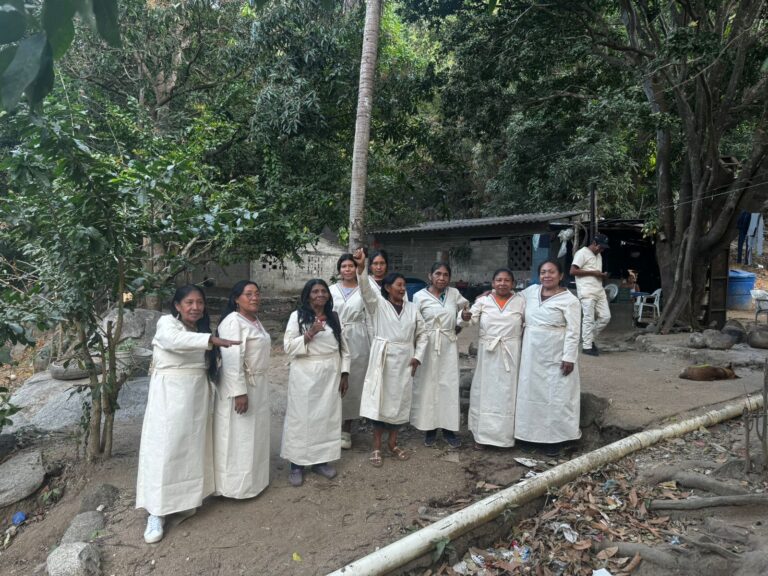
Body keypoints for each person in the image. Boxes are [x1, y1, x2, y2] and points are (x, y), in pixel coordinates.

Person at [136, 285, 240, 544]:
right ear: (177, 306)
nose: (195, 307)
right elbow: (174, 342)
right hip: (169, 396)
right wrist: (212, 341)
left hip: (195, 396)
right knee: (165, 450)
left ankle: (183, 500)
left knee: (191, 447)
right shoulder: (166, 324)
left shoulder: (200, 330)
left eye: (200, 303)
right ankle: (156, 512)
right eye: (189, 303)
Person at [352, 248, 428, 467]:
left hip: (404, 359)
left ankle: (393, 444)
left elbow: (422, 334)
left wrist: (417, 356)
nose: (403, 289)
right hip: (383, 359)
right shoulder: (378, 305)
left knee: (399, 403)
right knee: (380, 403)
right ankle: (376, 447)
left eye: (404, 286)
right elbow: (366, 289)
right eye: (399, 285)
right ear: (387, 287)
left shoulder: (413, 309)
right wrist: (361, 267)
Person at [281, 279, 350, 487]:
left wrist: (344, 374)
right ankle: (297, 465)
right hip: (305, 374)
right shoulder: (298, 317)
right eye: (315, 291)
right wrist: (310, 333)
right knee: (302, 419)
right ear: (308, 295)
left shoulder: (334, 318)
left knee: (326, 418)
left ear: (328, 296)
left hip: (330, 374)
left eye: (323, 291)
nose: (320, 294)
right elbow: (288, 347)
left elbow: (344, 349)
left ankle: (321, 462)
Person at [515, 260, 582, 456]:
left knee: (556, 396)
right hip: (531, 352)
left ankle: (555, 439)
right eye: (543, 272)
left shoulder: (570, 300)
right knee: (530, 394)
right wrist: (490, 294)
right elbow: (512, 299)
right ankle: (527, 436)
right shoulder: (531, 291)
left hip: (556, 352)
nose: (547, 275)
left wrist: (569, 356)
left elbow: (573, 330)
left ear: (561, 275)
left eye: (551, 272)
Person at [213, 280, 271, 499]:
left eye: (257, 293)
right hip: (240, 386)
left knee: (253, 435)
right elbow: (231, 358)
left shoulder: (255, 321)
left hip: (258, 383)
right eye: (249, 294)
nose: (255, 297)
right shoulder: (232, 322)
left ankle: (253, 482)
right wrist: (239, 392)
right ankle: (234, 486)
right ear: (236, 299)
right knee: (238, 436)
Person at [411, 262, 471, 448]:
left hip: (448, 344)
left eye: (445, 275)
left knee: (448, 385)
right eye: (438, 274)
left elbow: (465, 309)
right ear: (430, 276)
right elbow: (414, 323)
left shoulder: (453, 294)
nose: (442, 278)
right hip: (427, 344)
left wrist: (461, 323)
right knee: (428, 385)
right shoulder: (419, 296)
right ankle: (429, 428)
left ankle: (448, 429)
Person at [467, 268, 525, 449]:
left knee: (507, 394)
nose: (502, 283)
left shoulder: (521, 301)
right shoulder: (483, 301)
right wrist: (463, 316)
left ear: (513, 284)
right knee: (485, 393)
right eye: (498, 280)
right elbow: (469, 319)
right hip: (488, 355)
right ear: (492, 283)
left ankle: (506, 437)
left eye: (507, 280)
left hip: (511, 353)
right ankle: (482, 437)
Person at [329, 254, 370, 450]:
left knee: (352, 381)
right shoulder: (330, 291)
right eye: (343, 266)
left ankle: (347, 427)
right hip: (334, 336)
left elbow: (370, 314)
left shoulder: (364, 289)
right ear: (339, 270)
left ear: (356, 268)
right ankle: (330, 425)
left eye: (351, 266)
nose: (347, 269)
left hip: (357, 337)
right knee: (333, 379)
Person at [570, 233, 610, 356]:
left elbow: (596, 272)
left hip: (599, 290)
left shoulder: (599, 256)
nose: (601, 249)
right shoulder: (581, 253)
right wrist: (593, 273)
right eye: (600, 247)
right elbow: (572, 271)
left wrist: (602, 275)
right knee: (588, 319)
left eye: (603, 248)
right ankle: (587, 347)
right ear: (594, 243)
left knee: (605, 317)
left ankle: (589, 339)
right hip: (586, 291)